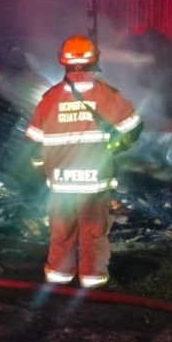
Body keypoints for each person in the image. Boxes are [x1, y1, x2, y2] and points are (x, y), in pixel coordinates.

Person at [25, 35, 142, 288]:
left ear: (63, 62)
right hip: (94, 184)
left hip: (60, 185)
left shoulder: (50, 98)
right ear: (95, 60)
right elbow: (134, 128)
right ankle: (92, 281)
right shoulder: (107, 95)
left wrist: (41, 171)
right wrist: (115, 147)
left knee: (61, 232)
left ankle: (58, 279)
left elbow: (33, 143)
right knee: (93, 233)